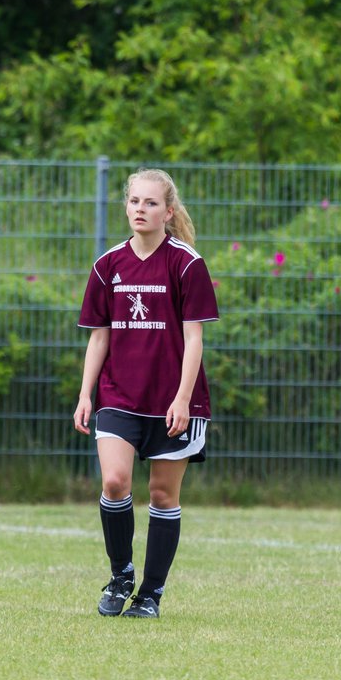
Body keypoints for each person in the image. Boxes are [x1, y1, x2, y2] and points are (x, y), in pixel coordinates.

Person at [73, 168, 219, 619]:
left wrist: (181, 397)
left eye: (151, 203)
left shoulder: (186, 263)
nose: (141, 209)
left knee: (161, 495)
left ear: (168, 212)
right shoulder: (108, 265)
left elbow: (193, 339)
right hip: (119, 394)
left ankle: (150, 595)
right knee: (115, 482)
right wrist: (85, 395)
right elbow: (99, 337)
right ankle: (120, 579)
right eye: (135, 201)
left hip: (174, 400)